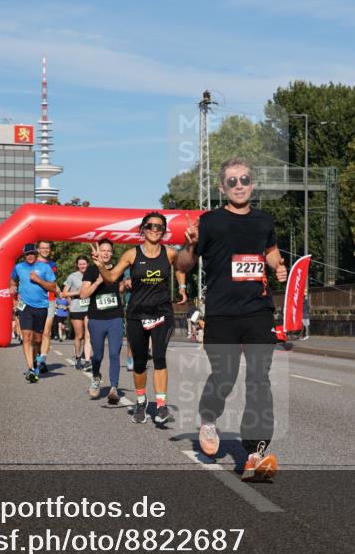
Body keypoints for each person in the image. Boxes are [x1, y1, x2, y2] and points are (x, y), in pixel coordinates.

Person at [177, 157, 287, 481]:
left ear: (253, 184)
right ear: (222, 188)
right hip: (222, 313)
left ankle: (255, 453)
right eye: (232, 181)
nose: (239, 186)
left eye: (245, 180)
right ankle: (208, 418)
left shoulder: (264, 220)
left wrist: (278, 266)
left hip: (258, 311)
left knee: (259, 379)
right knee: (225, 376)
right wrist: (190, 245)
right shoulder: (209, 222)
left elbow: (271, 252)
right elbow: (183, 265)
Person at [93, 212, 181, 424]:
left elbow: (180, 268)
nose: (154, 230)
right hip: (136, 314)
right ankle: (141, 402)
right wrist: (101, 266)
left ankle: (161, 406)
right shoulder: (131, 254)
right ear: (142, 229)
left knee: (159, 357)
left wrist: (183, 286)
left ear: (164, 231)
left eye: (159, 227)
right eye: (150, 226)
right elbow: (112, 278)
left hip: (162, 312)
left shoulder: (170, 253)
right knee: (139, 363)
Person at [82, 240, 125, 405]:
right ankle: (95, 376)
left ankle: (114, 387)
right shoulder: (91, 270)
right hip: (96, 318)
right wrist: (98, 282)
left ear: (112, 253)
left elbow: (121, 286)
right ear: (98, 253)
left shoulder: (118, 269)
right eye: (103, 250)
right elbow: (83, 294)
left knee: (114, 353)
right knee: (98, 355)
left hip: (115, 317)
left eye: (108, 250)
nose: (106, 253)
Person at [10, 243, 58, 383]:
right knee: (26, 338)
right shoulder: (19, 267)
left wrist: (38, 280)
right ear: (24, 255)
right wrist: (12, 287)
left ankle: (36, 360)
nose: (30, 256)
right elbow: (13, 280)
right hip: (25, 306)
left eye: (32, 253)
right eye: (27, 254)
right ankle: (31, 369)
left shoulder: (45, 267)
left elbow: (53, 287)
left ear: (36, 254)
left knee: (37, 340)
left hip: (41, 307)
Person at [63, 255, 93, 369]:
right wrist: (78, 292)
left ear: (87, 264)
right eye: (80, 264)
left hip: (89, 307)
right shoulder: (72, 276)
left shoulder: (92, 275)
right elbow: (64, 293)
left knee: (88, 335)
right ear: (77, 265)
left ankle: (87, 360)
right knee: (79, 335)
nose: (82, 266)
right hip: (76, 308)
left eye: (84, 263)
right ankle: (78, 357)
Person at [36, 241, 58, 373]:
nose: (45, 250)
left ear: (50, 250)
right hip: (34, 301)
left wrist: (58, 290)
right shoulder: (31, 263)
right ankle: (37, 357)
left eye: (47, 248)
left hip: (50, 300)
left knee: (46, 332)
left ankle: (42, 361)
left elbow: (53, 282)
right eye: (42, 248)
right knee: (36, 335)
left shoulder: (53, 265)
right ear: (38, 250)